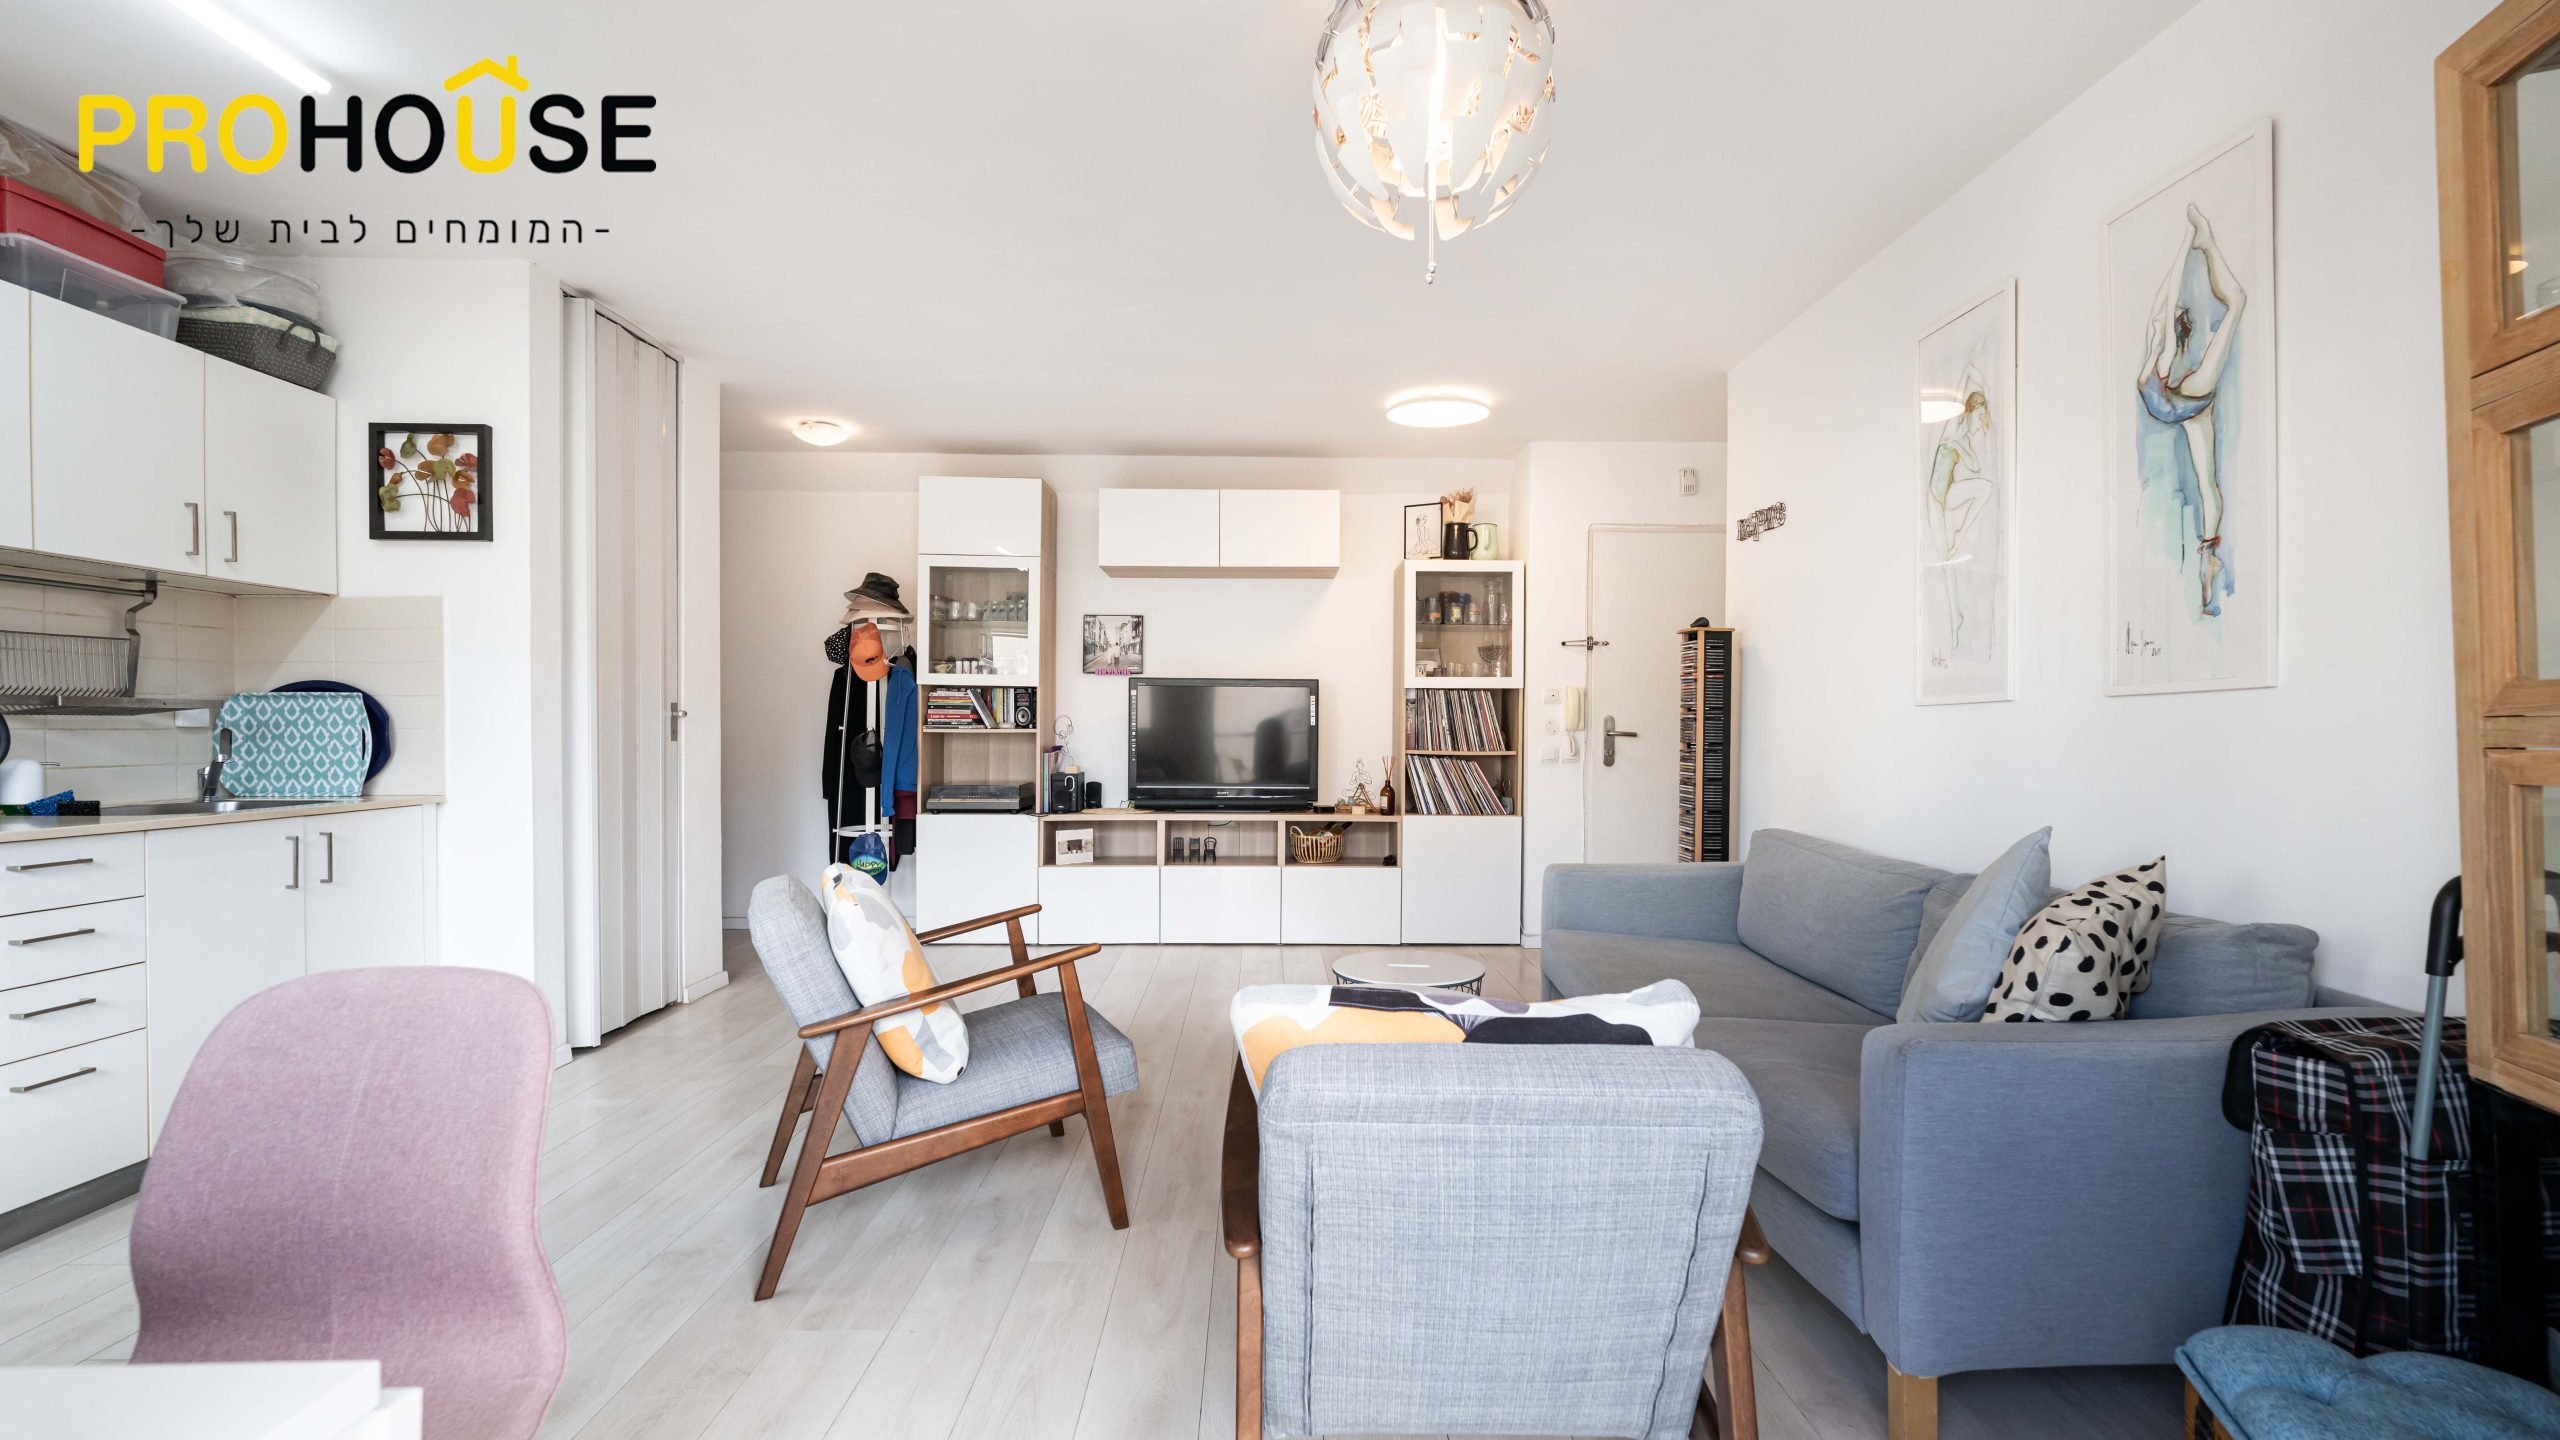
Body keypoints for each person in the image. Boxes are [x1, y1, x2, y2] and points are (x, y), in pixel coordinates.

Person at [2139, 202, 2248, 618]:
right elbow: (2169, 302)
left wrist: (2181, 254)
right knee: (2236, 301)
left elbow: (2164, 303)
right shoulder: (2167, 349)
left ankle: (2208, 564)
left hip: (2167, 403)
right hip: (2186, 397)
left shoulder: (2156, 351)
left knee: (2207, 484)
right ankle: (2209, 242)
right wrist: (2189, 238)